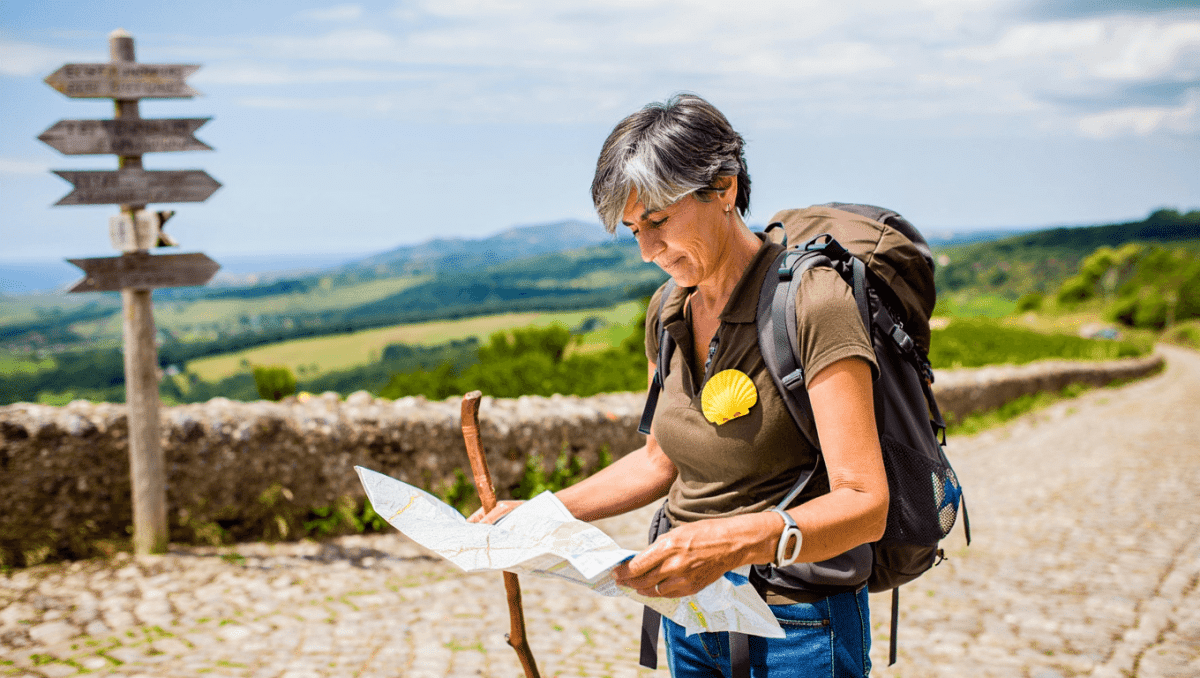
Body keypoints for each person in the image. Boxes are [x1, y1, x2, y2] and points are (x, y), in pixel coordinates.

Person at [471, 93, 888, 677]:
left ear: (723, 188)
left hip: (798, 623)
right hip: (688, 612)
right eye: (634, 230)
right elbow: (656, 462)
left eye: (659, 222)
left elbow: (866, 504)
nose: (646, 252)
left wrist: (728, 545)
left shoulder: (813, 302)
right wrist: (542, 514)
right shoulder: (667, 310)